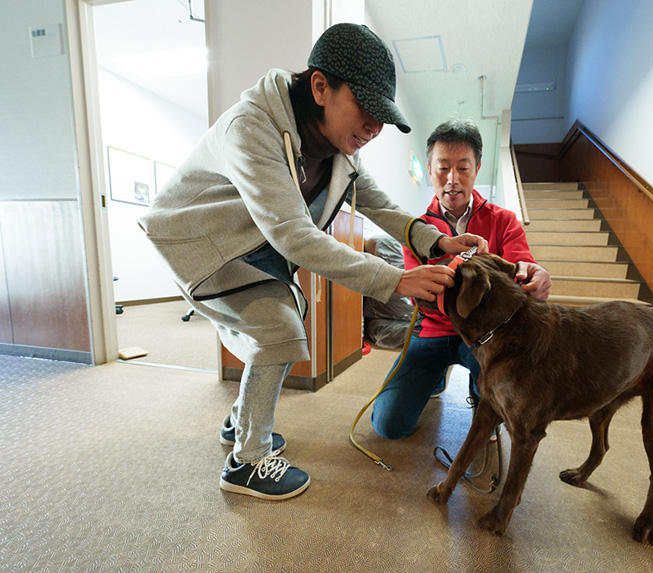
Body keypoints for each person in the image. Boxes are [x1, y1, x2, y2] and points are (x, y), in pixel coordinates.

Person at [138, 24, 487, 501]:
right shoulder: (252, 127)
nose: (373, 127)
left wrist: (434, 241)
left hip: (252, 245)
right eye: (366, 110)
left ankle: (243, 422)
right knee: (277, 331)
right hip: (203, 240)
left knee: (283, 324)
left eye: (381, 118)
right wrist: (396, 280)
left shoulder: (339, 150)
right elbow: (293, 234)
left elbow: (379, 204)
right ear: (321, 87)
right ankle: (247, 461)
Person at [370, 119, 551, 440]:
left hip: (485, 338)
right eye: (442, 168)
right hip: (431, 334)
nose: (452, 179)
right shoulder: (414, 228)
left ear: (477, 169)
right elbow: (418, 298)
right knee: (388, 426)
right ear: (429, 170)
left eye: (463, 168)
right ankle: (435, 376)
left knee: (494, 421)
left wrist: (532, 275)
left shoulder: (504, 220)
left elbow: (520, 267)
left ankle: (476, 383)